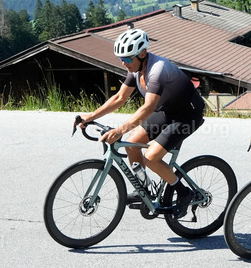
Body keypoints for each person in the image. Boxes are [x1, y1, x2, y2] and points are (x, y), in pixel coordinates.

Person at [76, 28, 205, 218]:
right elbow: (120, 97)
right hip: (168, 111)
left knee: (152, 157)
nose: (123, 63)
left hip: (188, 114)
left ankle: (184, 193)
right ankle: (144, 189)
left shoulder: (157, 69)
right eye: (121, 58)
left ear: (142, 53)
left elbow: (148, 107)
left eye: (127, 58)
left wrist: (119, 130)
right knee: (132, 144)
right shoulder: (136, 69)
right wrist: (91, 117)